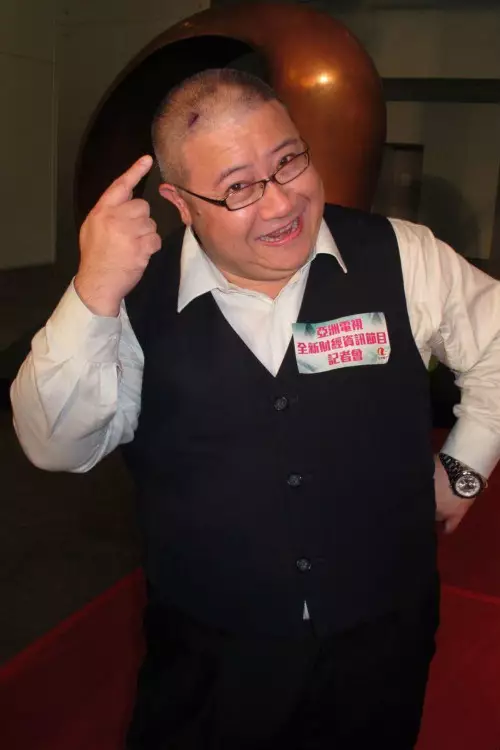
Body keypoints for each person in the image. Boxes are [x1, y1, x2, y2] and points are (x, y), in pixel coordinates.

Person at [11, 68, 500, 749]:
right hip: (212, 657)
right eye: (238, 187)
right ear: (181, 203)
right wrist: (93, 292)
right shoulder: (130, 299)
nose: (281, 203)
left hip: (383, 639)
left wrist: (466, 465)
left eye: (289, 160)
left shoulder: (401, 254)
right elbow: (56, 446)